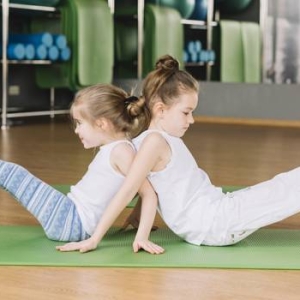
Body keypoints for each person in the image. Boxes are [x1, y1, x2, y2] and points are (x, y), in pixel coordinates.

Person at [57, 54, 300, 253]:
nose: (191, 120)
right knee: (285, 190)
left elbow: (148, 186)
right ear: (160, 110)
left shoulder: (151, 141)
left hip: (216, 212)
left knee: (283, 187)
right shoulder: (153, 142)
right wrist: (94, 239)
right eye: (186, 112)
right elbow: (128, 190)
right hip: (213, 223)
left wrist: (137, 217)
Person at [0, 83, 164, 254]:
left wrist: (142, 237)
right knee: (9, 177)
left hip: (71, 221)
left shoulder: (122, 152)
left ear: (101, 124)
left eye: (79, 123)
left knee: (10, 173)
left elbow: (149, 193)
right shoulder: (119, 149)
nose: (77, 130)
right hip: (71, 216)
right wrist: (136, 216)